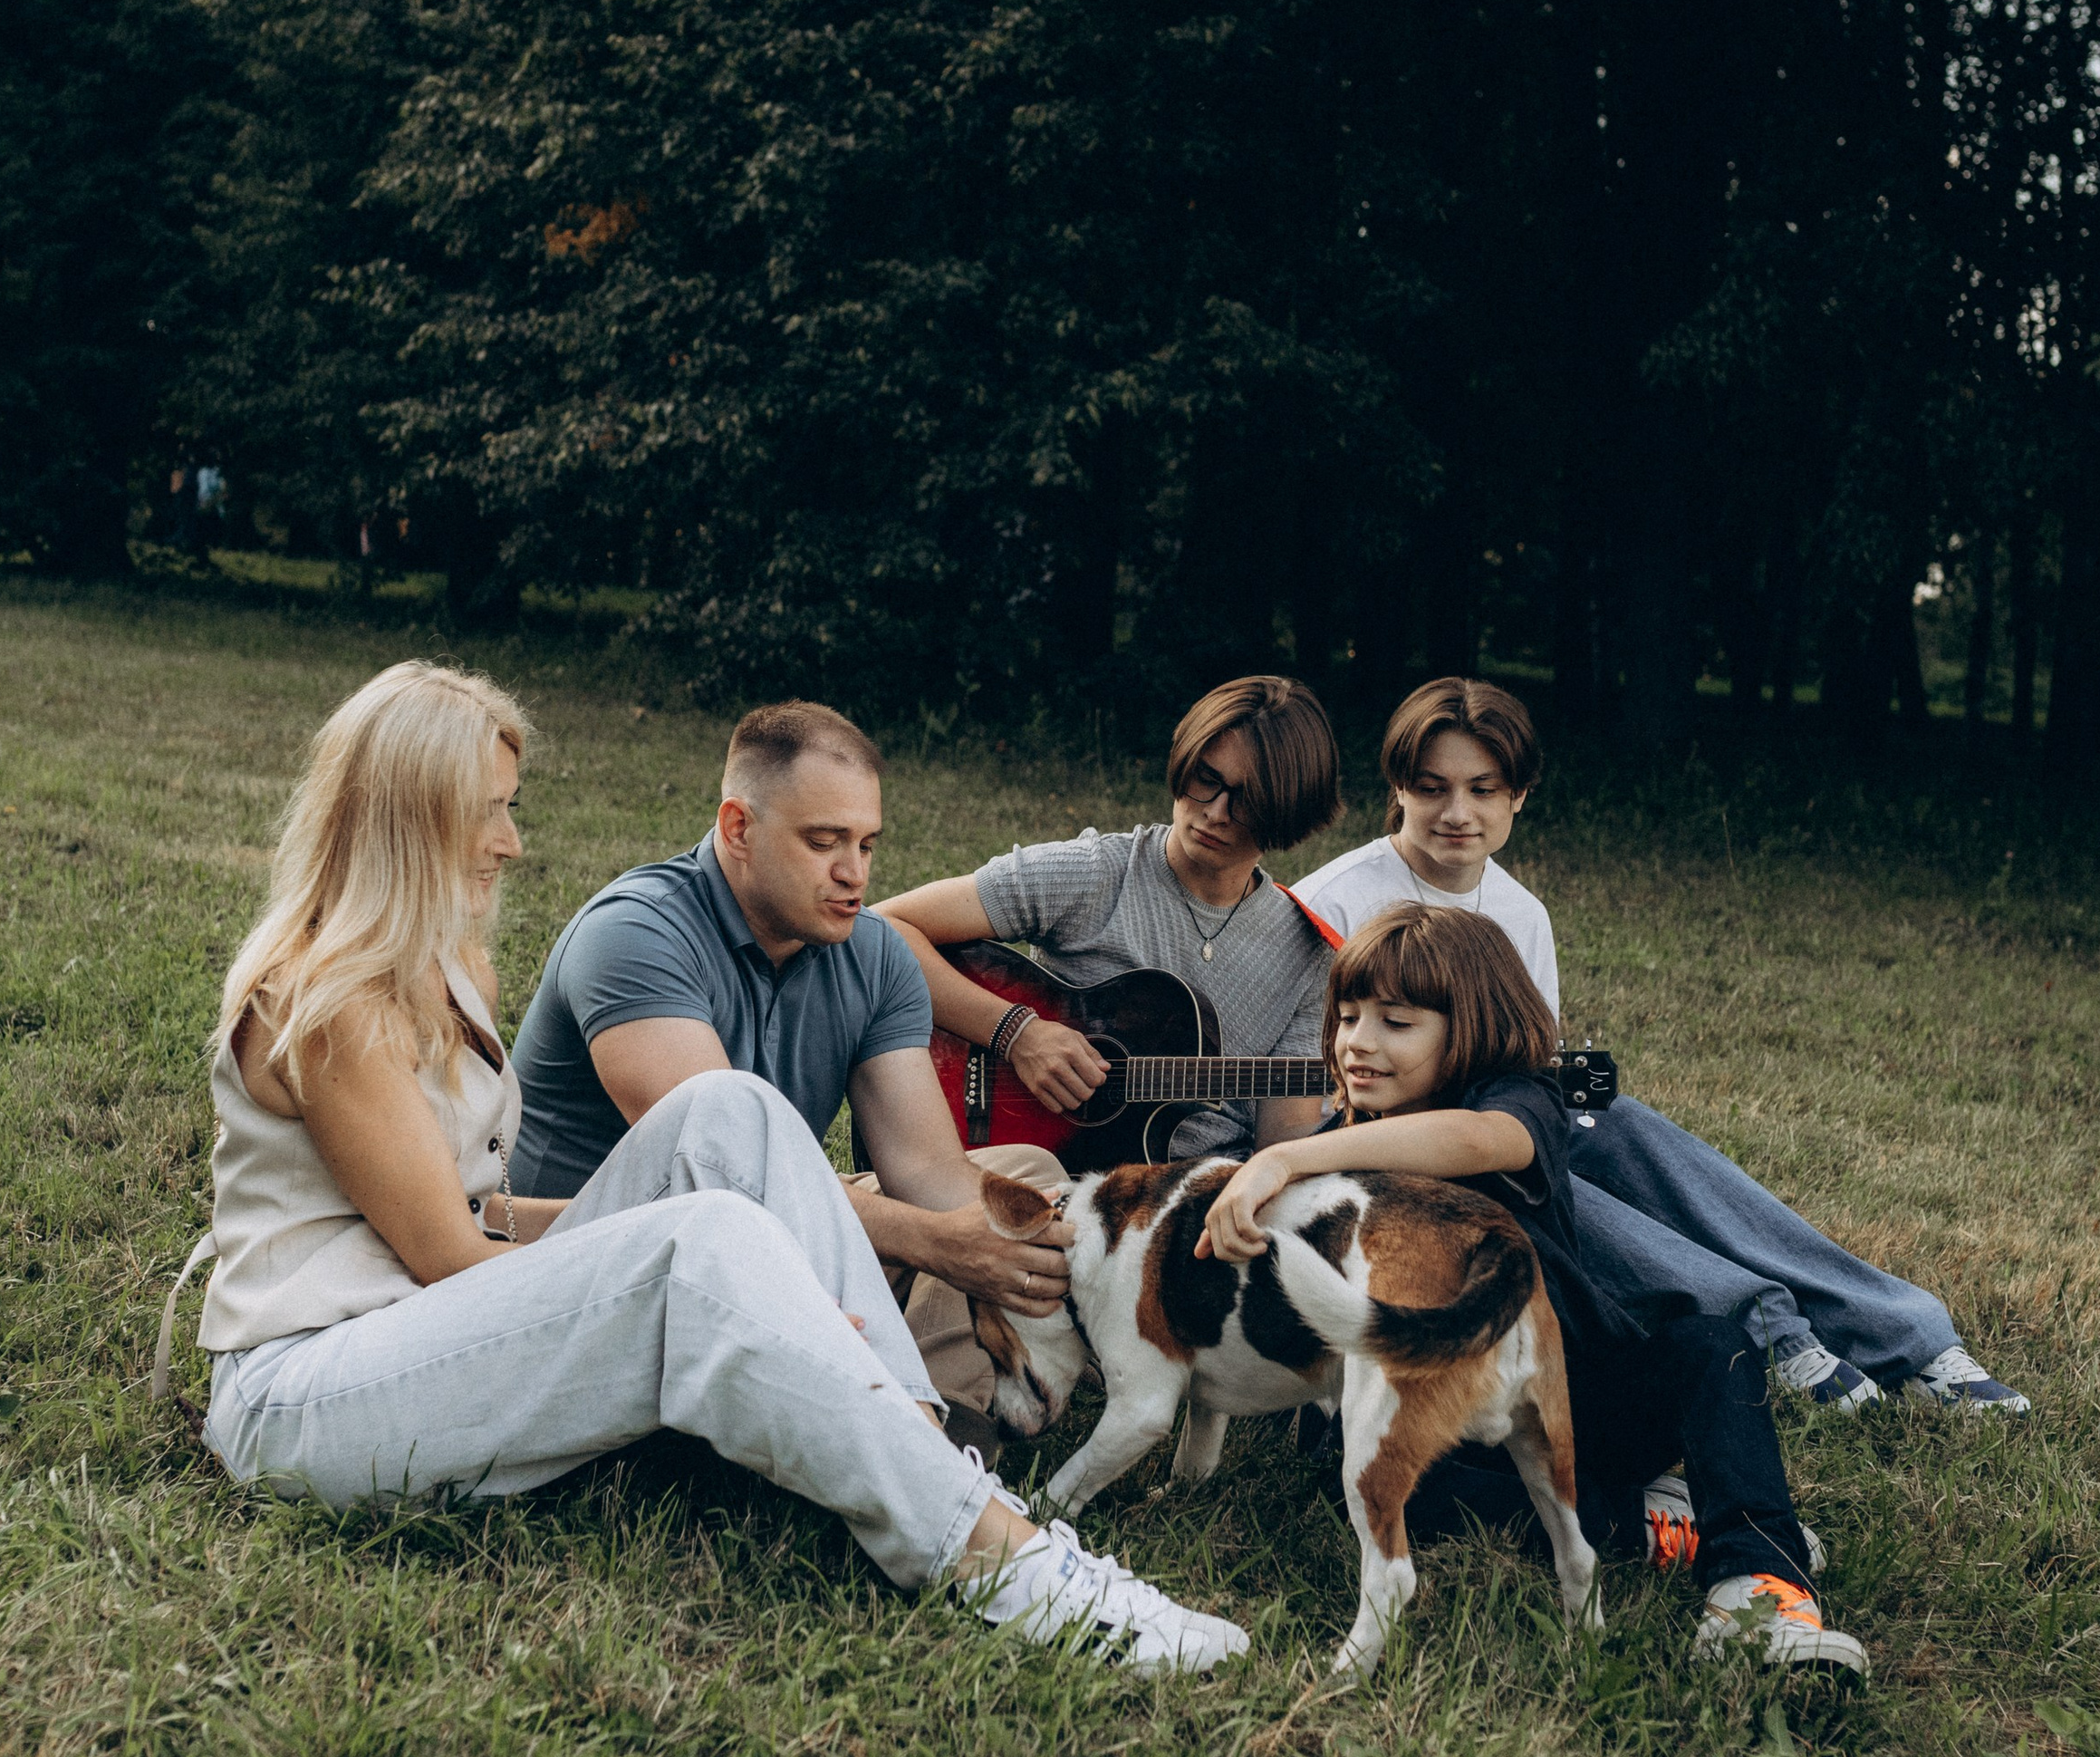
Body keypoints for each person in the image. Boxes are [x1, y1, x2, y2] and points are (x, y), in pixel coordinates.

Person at [162, 659, 1248, 1675]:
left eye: (510, 806)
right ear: (415, 818)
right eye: (490, 809)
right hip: (304, 1399)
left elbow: (480, 1214)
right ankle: (1001, 1564)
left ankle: (920, 1452)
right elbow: (452, 1253)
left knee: (729, 1114)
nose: (512, 841)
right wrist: (663, 1240)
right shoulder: (328, 1001)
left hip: (415, 1333)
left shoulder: (445, 963)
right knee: (711, 1228)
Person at [1293, 676, 2029, 1415]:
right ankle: (1774, 1332)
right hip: (1397, 1150)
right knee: (1543, 1178)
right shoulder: (1335, 902)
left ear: (1519, 795)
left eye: (1484, 789)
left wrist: (1547, 1106)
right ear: (1398, 788)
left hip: (1498, 1118)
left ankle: (1912, 1336)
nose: (1459, 813)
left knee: (1618, 1122)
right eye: (1433, 788)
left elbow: (1526, 1065)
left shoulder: (1522, 913)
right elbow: (1314, 1084)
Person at [1197, 904, 1868, 1674]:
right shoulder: (1327, 1162)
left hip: (1581, 1394)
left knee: (1714, 1350)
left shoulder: (1516, 1101)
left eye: (1396, 1022)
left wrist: (1282, 1160)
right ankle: (1646, 1522)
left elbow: (1481, 1141)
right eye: (1347, 1017)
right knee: (1378, 1479)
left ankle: (1758, 1589)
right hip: (1445, 1417)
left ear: (1470, 1029)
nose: (1359, 1042)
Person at [505, 700, 1078, 1459]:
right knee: (940, 1237)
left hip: (768, 1233)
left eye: (868, 844)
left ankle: (940, 1439)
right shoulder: (635, 934)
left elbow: (926, 1172)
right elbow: (723, 1173)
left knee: (1019, 1180)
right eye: (824, 842)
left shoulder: (873, 953)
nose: (855, 873)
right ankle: (880, 1435)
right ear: (739, 829)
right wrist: (939, 1245)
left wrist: (1052, 1238)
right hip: (604, 1258)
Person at [873, 673, 1344, 1423]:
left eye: (1245, 800)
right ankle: (937, 1409)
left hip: (1171, 1227)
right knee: (998, 1215)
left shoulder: (1307, 956)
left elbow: (1280, 1144)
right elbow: (882, 931)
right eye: (1204, 780)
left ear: (1288, 812)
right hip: (1031, 1167)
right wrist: (1014, 1030)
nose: (1214, 813)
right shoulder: (1100, 871)